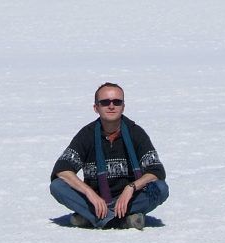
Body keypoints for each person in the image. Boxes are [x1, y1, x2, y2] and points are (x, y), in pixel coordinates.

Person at [50, 82, 168, 229]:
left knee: (161, 188)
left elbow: (156, 171)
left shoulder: (135, 133)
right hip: (96, 200)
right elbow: (62, 169)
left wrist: (131, 188)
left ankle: (92, 217)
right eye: (105, 102)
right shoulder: (87, 134)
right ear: (96, 108)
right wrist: (89, 193)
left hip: (129, 200)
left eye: (117, 102)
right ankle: (121, 220)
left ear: (123, 107)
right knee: (57, 186)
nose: (111, 106)